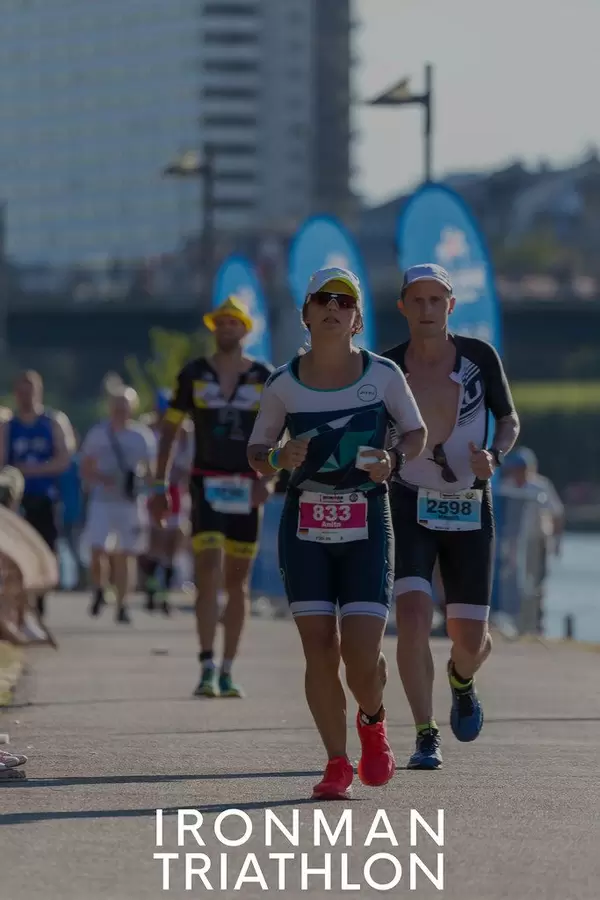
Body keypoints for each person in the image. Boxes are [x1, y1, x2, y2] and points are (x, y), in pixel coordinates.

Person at [247, 267, 427, 800]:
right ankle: (335, 763)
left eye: (344, 302)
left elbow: (415, 433)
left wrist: (393, 460)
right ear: (305, 314)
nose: (333, 308)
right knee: (319, 649)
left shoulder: (384, 375)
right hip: (304, 525)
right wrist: (278, 457)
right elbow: (257, 452)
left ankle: (373, 721)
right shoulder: (283, 383)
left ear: (357, 320)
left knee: (361, 656)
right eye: (323, 300)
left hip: (367, 521)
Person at [383, 264, 520, 770]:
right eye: (417, 300)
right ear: (403, 307)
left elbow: (508, 419)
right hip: (408, 502)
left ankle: (461, 680)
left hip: (468, 503)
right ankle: (425, 733)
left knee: (471, 641)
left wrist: (495, 455)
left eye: (436, 300)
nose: (427, 309)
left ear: (450, 306)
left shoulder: (479, 357)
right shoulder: (387, 367)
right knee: (413, 617)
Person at [149, 296, 275, 698]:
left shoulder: (264, 376)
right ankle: (206, 664)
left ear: (245, 329)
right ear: (213, 328)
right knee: (206, 571)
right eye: (220, 323)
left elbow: (279, 432)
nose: (226, 329)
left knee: (237, 580)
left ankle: (228, 668)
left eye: (233, 323)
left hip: (247, 483)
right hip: (205, 483)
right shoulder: (193, 374)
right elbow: (169, 431)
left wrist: (269, 479)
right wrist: (159, 485)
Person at [0, 370, 75, 623]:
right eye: (21, 391)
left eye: (30, 391)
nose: (25, 396)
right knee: (17, 553)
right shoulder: (8, 426)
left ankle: (39, 599)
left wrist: (32, 470)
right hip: (16, 501)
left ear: (39, 392)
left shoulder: (54, 422)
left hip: (45, 497)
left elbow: (64, 459)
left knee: (46, 549)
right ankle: (22, 605)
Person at [79, 386, 156, 624]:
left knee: (126, 554)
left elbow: (151, 471)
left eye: (125, 406)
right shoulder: (98, 434)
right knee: (97, 549)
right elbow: (85, 467)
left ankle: (123, 604)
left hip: (130, 503)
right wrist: (104, 479)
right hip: (102, 500)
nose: (121, 411)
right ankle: (99, 587)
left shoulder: (141, 436)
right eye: (117, 406)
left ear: (132, 408)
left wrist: (145, 487)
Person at [140, 389, 193, 614]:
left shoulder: (187, 432)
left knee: (173, 542)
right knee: (155, 542)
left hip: (178, 492)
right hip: (154, 491)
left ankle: (165, 594)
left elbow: (190, 464)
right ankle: (152, 589)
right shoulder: (148, 429)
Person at [501, 447, 564, 631]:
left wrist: (557, 542)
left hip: (538, 540)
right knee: (512, 579)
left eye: (522, 468)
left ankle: (536, 620)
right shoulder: (506, 486)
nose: (519, 472)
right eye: (516, 468)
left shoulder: (541, 486)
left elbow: (557, 513)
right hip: (513, 541)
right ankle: (515, 619)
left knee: (537, 581)